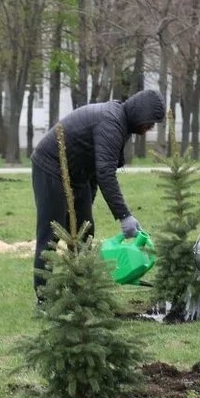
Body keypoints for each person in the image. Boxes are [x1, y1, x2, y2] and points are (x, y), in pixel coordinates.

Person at [30, 89, 165, 293]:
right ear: (140, 113)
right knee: (51, 234)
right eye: (150, 122)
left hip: (79, 174)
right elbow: (105, 173)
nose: (150, 128)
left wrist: (86, 202)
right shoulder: (111, 123)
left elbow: (95, 166)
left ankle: (83, 291)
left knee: (85, 230)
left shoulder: (122, 123)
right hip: (50, 167)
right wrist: (124, 216)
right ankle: (43, 297)